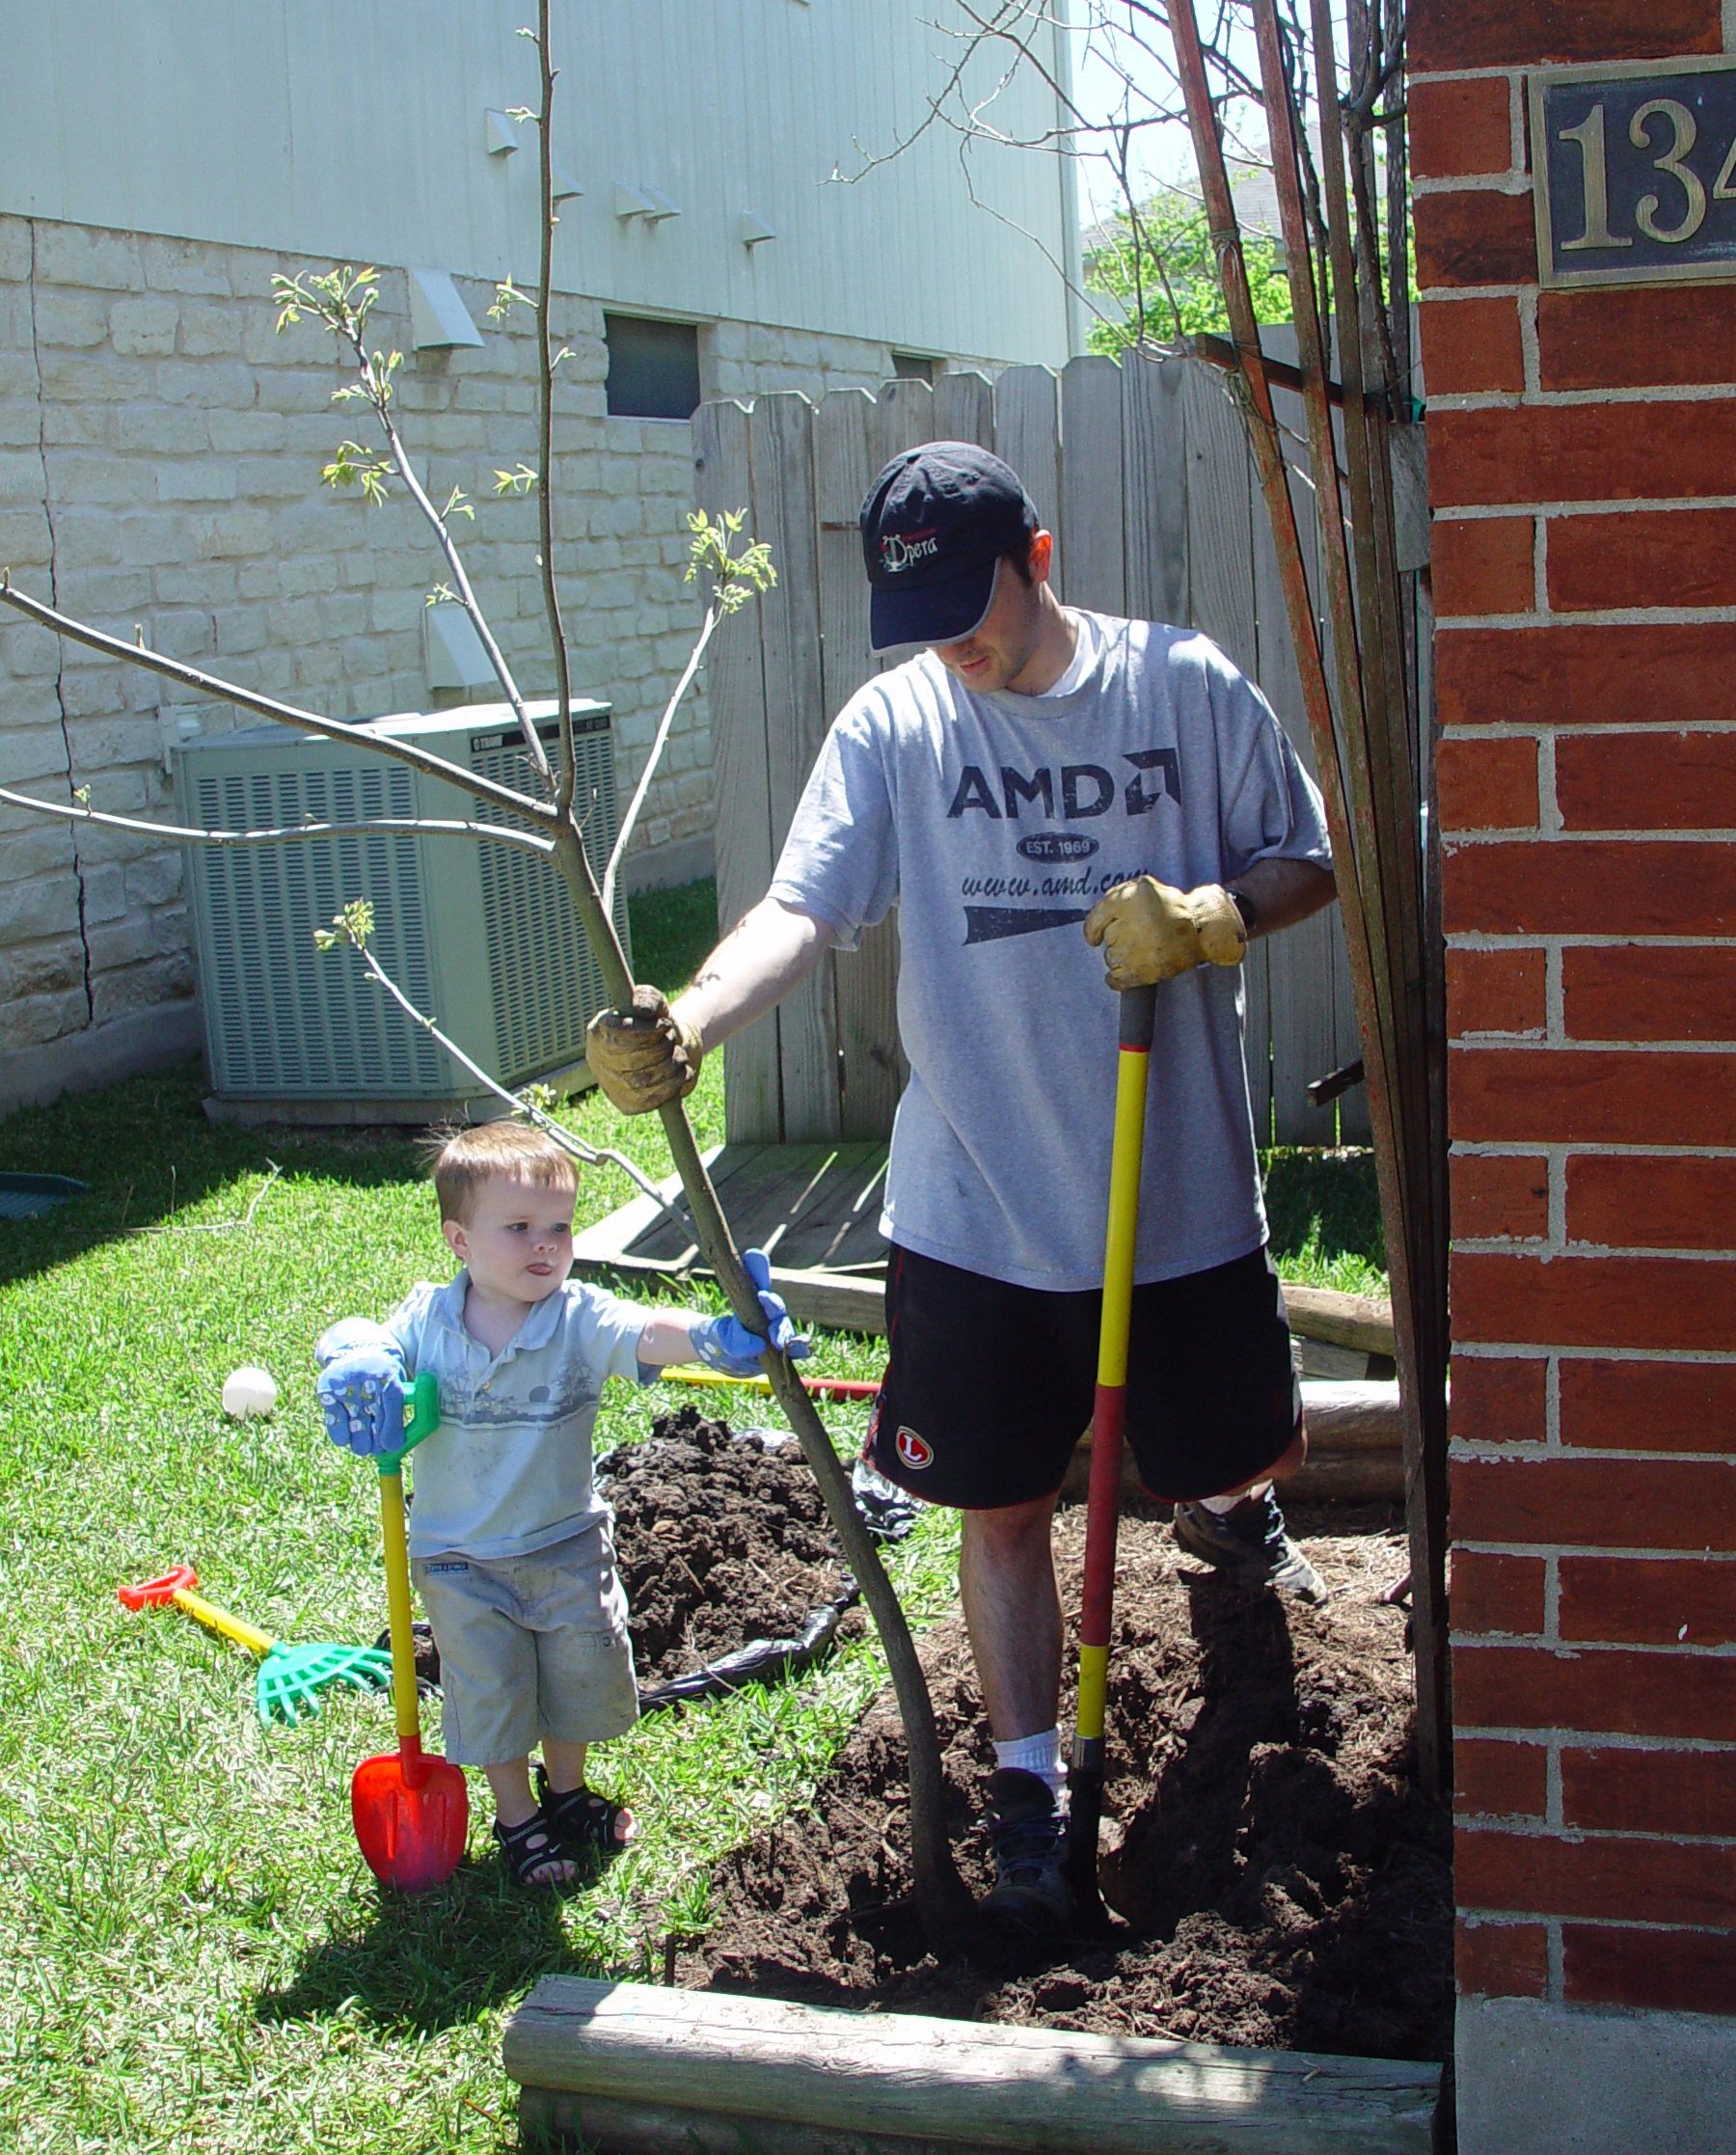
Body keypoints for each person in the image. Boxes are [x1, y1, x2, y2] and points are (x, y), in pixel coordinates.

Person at [585, 440, 1340, 1938]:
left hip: (1174, 1198)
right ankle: (1026, 1785)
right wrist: (689, 1018)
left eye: (971, 605)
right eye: (919, 612)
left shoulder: (1184, 687)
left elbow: (1305, 859)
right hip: (977, 1209)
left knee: (1227, 1453)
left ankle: (1228, 1516)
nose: (954, 640)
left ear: (1039, 556)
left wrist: (1208, 914)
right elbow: (803, 910)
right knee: (999, 1510)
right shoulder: (899, 723)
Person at [313, 1118, 793, 1889]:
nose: (546, 1244)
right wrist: (355, 1357)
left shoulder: (576, 1315)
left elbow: (646, 1330)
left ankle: (565, 1794)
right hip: (459, 1559)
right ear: (459, 1239)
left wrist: (710, 1337)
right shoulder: (426, 1320)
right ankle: (517, 1818)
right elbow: (363, 1336)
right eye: (519, 1228)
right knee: (493, 1693)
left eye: (560, 1227)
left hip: (567, 1545)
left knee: (579, 1682)